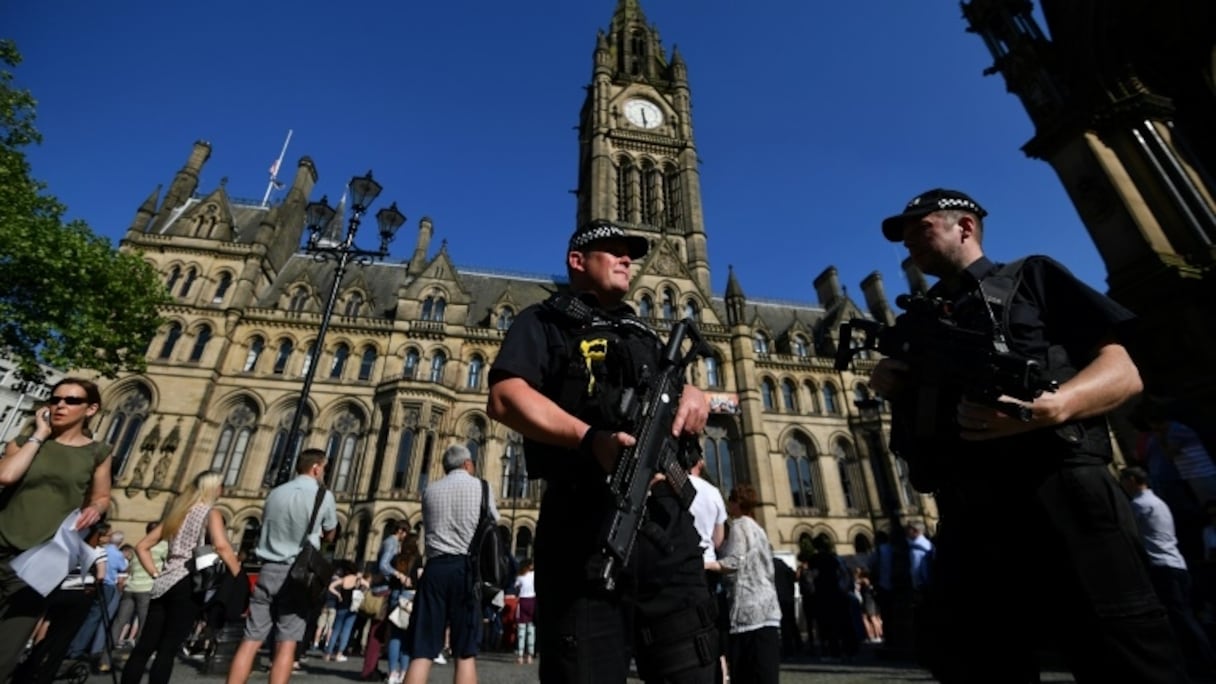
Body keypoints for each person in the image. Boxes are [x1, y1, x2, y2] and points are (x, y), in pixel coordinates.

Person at [870, 188, 1186, 682]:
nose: (908, 241)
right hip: (968, 514)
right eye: (903, 234)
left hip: (1060, 496)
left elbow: (1124, 371)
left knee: (1123, 658)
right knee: (972, 659)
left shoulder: (1031, 278)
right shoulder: (917, 322)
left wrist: (1056, 406)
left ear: (965, 227)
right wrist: (893, 383)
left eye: (919, 227)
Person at [487, 218, 716, 683]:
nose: (626, 257)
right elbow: (505, 397)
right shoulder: (544, 321)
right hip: (585, 528)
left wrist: (695, 396)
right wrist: (591, 440)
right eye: (612, 250)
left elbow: (675, 402)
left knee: (693, 668)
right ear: (577, 261)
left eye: (629, 251)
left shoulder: (647, 334)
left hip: (666, 532)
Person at [0, 377, 112, 682]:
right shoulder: (24, 443)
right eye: (56, 398)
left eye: (72, 400)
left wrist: (96, 508)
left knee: (5, 653)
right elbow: (6, 475)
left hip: (39, 561)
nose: (61, 405)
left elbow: (102, 496)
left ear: (91, 409)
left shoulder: (97, 453)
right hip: (2, 542)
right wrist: (39, 434)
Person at [226, 449, 337, 684]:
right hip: (298, 575)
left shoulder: (275, 493)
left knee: (250, 640)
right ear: (316, 467)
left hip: (267, 570)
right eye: (324, 468)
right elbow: (330, 534)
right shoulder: (322, 495)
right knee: (286, 643)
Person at [121, 469, 241, 684]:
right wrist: (238, 575)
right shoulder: (210, 513)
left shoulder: (178, 513)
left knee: (144, 647)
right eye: (221, 485)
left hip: (164, 582)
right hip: (188, 582)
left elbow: (142, 546)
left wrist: (156, 573)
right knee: (167, 650)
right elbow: (222, 546)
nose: (223, 489)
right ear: (212, 488)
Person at [401, 444, 494, 684]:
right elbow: (493, 522)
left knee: (421, 653)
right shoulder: (482, 487)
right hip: (467, 571)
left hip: (435, 569)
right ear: (467, 464)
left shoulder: (430, 490)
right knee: (464, 654)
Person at [1119, 466, 1216, 678]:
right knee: (1186, 615)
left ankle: (1202, 663)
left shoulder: (1139, 505)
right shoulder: (1158, 502)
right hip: (1176, 564)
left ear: (1133, 481)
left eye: (1124, 481)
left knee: (1180, 619)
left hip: (1162, 566)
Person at [713, 484, 781, 684]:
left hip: (749, 611)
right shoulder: (758, 528)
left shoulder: (740, 525)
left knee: (746, 673)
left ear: (736, 503)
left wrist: (708, 564)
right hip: (768, 608)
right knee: (766, 673)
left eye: (730, 502)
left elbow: (735, 560)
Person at [689, 452, 730, 681]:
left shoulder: (674, 486)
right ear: (701, 463)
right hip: (709, 568)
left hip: (684, 567)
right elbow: (718, 539)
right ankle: (721, 674)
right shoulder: (712, 492)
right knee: (713, 626)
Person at [111, 522, 164, 649]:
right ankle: (139, 653)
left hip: (130, 587)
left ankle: (105, 656)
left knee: (119, 621)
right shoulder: (163, 546)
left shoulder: (138, 545)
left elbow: (131, 568)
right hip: (147, 588)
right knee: (144, 623)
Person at [513, 558, 536, 665]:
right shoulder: (533, 575)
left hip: (522, 601)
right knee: (531, 629)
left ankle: (520, 655)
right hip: (532, 601)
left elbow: (515, 587)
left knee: (521, 630)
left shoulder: (519, 577)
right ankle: (530, 655)